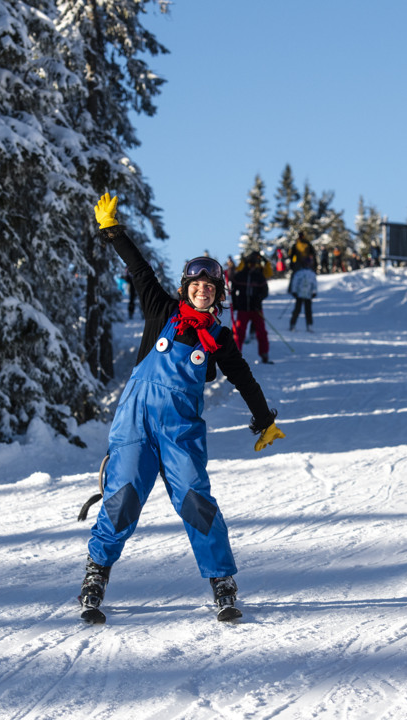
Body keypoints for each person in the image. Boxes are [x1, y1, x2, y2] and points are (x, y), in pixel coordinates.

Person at [78, 193, 286, 624]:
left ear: (218, 293)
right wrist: (112, 230)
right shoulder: (161, 311)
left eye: (210, 285)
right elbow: (139, 269)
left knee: (196, 501)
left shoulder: (220, 340)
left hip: (179, 432)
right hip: (135, 425)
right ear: (185, 288)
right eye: (196, 283)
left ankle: (223, 585)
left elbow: (243, 377)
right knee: (122, 500)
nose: (202, 289)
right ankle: (95, 576)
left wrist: (263, 419)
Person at [231, 251, 273, 364]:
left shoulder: (259, 276)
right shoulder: (240, 276)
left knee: (261, 332)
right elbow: (233, 289)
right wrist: (235, 303)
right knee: (239, 332)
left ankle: (264, 354)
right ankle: (236, 356)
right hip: (243, 308)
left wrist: (258, 299)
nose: (253, 266)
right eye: (251, 263)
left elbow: (265, 291)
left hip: (256, 309)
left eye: (255, 263)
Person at [288, 256, 317, 332]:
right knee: (297, 310)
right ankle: (293, 324)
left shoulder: (311, 274)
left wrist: (314, 292)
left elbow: (314, 284)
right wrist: (294, 291)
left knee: (308, 311)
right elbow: (295, 283)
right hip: (299, 294)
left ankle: (309, 325)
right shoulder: (299, 273)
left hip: (308, 295)